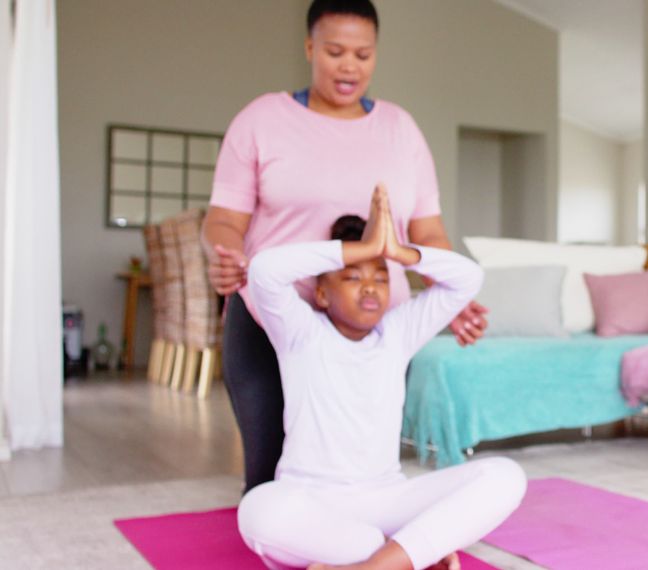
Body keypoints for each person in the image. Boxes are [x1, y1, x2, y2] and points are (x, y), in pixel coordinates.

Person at [202, 0, 489, 493]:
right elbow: (224, 220)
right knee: (273, 477)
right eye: (335, 51)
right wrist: (227, 256)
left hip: (371, 328)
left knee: (361, 472)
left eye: (363, 54)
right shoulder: (262, 119)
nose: (350, 66)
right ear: (310, 47)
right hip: (276, 319)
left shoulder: (401, 130)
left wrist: (450, 294)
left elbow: (428, 233)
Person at [237, 187, 526, 570]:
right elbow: (264, 270)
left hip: (389, 500)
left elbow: (468, 278)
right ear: (321, 294)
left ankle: (376, 565)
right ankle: (399, 555)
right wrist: (363, 246)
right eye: (353, 276)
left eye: (381, 277)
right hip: (313, 501)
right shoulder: (300, 334)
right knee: (258, 509)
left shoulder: (397, 334)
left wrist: (399, 252)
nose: (371, 287)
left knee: (505, 476)